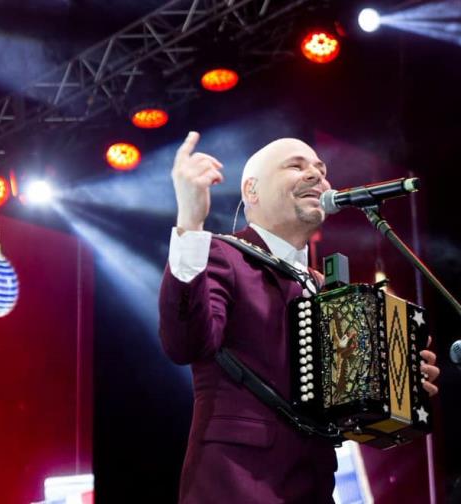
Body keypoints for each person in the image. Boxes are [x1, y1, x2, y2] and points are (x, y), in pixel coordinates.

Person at [158, 131, 440, 503]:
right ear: (252, 191)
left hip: (315, 486)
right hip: (237, 485)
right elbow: (185, 343)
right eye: (296, 165)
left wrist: (399, 379)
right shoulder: (221, 255)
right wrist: (190, 225)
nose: (317, 175)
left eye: (321, 170)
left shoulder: (326, 288)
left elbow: (344, 409)